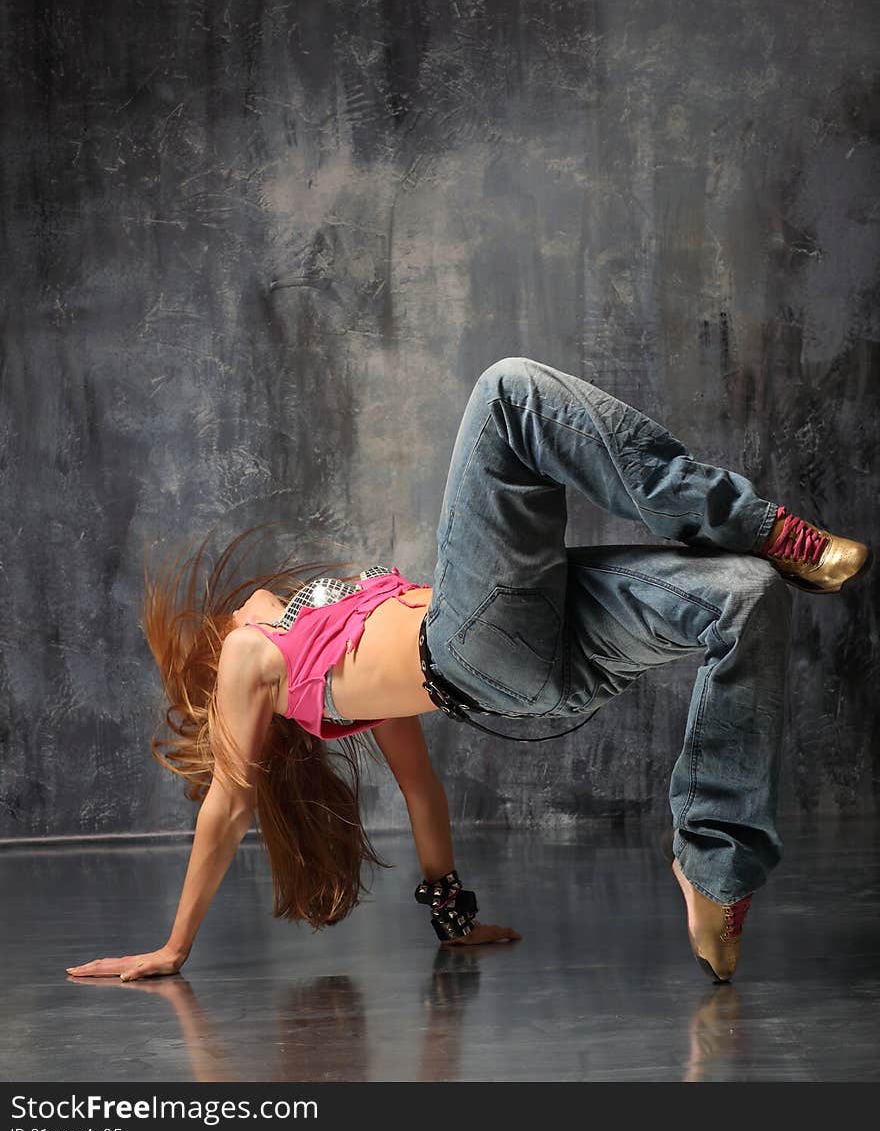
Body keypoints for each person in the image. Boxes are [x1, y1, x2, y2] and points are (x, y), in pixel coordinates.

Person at [66, 357, 872, 986]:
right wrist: (175, 944)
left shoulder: (338, 681)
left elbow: (423, 795)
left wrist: (455, 922)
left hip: (536, 658)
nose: (246, 602)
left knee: (748, 597)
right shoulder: (252, 654)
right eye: (232, 614)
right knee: (508, 394)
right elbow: (228, 804)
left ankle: (714, 872)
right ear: (222, 658)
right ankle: (759, 521)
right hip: (476, 645)